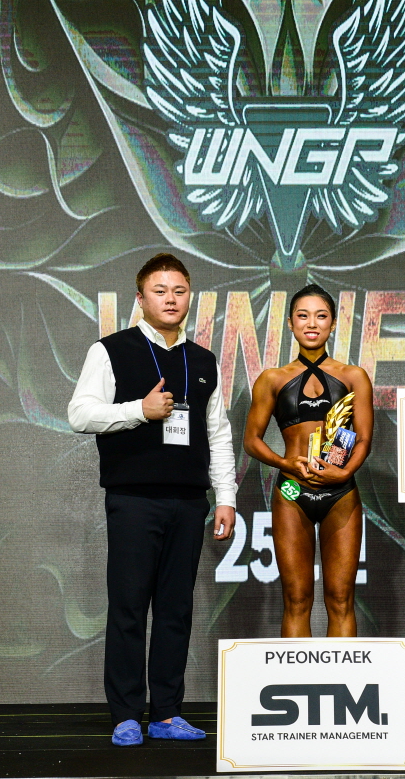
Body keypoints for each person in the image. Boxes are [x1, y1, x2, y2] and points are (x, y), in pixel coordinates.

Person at [67, 253, 238, 747]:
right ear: (140, 298)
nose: (170, 299)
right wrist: (139, 410)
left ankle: (166, 713)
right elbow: (80, 414)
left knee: (175, 610)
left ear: (190, 297)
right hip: (133, 499)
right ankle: (126, 714)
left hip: (188, 501)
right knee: (128, 607)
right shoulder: (111, 350)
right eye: (160, 291)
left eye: (179, 291)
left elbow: (218, 433)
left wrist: (225, 496)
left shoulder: (203, 360)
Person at [243, 285, 373, 637]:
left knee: (341, 599)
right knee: (296, 599)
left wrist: (344, 472)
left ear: (333, 323)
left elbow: (363, 439)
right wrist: (285, 464)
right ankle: (297, 672)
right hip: (291, 491)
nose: (311, 323)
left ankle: (341, 674)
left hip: (341, 493)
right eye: (303, 316)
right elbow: (251, 440)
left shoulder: (353, 376)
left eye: (321, 316)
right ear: (290, 323)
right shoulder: (272, 379)